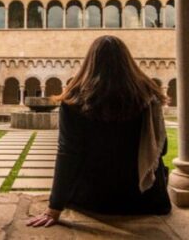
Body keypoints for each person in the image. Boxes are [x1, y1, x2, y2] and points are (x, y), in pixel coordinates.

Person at [26, 35, 171, 228]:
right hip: (146, 199)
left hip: (93, 199)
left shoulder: (74, 100)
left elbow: (68, 154)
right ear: (127, 62)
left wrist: (54, 208)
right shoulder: (148, 98)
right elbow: (162, 149)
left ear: (90, 62)